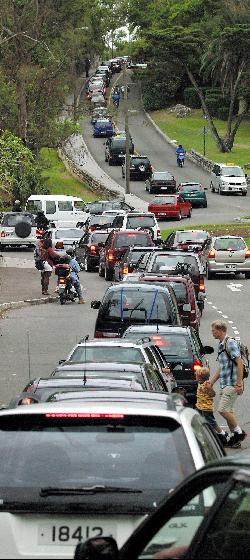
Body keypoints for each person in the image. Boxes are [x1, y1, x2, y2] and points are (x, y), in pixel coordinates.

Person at [209, 320, 246, 448]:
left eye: (214, 330)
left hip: (233, 383)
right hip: (225, 383)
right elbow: (222, 367)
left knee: (222, 410)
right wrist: (212, 382)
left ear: (220, 330)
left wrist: (239, 383)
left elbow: (239, 362)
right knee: (228, 411)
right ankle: (235, 440)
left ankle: (239, 433)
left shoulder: (230, 343)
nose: (212, 332)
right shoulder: (221, 344)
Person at [195, 366, 228, 446]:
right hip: (200, 407)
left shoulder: (207, 384)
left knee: (212, 422)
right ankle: (203, 435)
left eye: (196, 375)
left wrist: (210, 389)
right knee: (201, 421)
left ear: (199, 377)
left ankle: (223, 434)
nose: (195, 376)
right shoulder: (201, 383)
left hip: (206, 408)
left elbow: (213, 394)